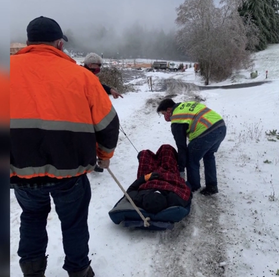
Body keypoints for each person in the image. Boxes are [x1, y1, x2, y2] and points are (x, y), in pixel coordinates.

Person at [10, 16, 120, 277]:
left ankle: (32, 269)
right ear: (59, 44)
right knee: (73, 221)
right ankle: (79, 269)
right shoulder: (83, 77)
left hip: (20, 170)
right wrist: (103, 157)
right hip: (70, 172)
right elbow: (108, 124)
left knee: (32, 217)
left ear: (28, 43)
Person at [156, 99, 226, 195]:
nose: (165, 117)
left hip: (206, 132)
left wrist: (181, 167)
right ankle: (212, 186)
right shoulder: (185, 106)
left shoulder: (177, 117)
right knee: (209, 156)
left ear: (169, 110)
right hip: (221, 127)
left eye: (164, 114)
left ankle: (194, 188)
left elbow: (181, 147)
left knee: (191, 159)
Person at [126, 144, 192, 213]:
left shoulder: (139, 199)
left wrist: (145, 178)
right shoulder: (174, 199)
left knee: (144, 154)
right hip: (168, 175)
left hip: (149, 178)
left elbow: (130, 190)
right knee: (167, 149)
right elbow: (187, 191)